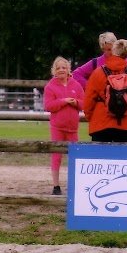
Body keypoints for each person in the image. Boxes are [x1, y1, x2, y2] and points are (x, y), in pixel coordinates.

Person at [83, 39, 127, 143]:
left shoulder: (97, 73)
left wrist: (91, 118)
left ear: (113, 51)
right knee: (126, 158)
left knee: (102, 158)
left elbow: (88, 102)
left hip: (101, 125)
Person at [43, 57, 84, 195]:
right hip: (57, 127)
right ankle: (56, 186)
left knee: (75, 156)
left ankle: (74, 184)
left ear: (68, 70)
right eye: (58, 68)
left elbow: (84, 104)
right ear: (54, 70)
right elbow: (48, 106)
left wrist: (76, 103)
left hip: (73, 129)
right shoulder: (50, 86)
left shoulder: (76, 85)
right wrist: (63, 101)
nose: (61, 70)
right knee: (56, 156)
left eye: (64, 67)